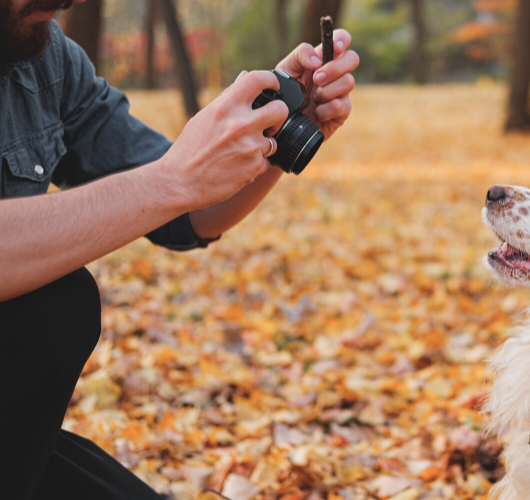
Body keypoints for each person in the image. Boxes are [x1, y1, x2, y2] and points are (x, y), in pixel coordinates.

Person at [0, 0, 359, 498]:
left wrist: (275, 129)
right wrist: (170, 182)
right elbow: (169, 185)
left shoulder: (46, 56)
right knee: (55, 307)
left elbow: (187, 215)